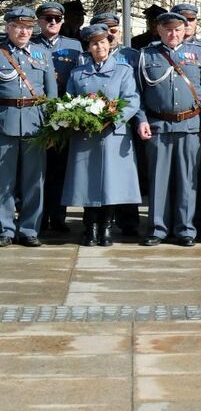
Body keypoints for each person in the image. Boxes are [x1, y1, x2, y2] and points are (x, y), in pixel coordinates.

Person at [135, 12, 201, 247]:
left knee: (187, 180)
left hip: (190, 126)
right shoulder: (146, 54)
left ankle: (185, 229)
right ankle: (157, 228)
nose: (173, 34)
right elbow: (136, 92)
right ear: (158, 30)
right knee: (158, 181)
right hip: (158, 125)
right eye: (168, 29)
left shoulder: (199, 54)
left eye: (178, 29)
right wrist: (141, 119)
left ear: (184, 30)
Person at [63, 22, 142, 247]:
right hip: (86, 136)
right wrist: (77, 118)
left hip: (112, 135)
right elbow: (69, 101)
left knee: (111, 184)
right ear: (88, 48)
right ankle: (91, 228)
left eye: (103, 42)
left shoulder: (123, 71)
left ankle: (106, 228)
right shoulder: (78, 73)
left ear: (110, 43)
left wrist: (112, 120)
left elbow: (131, 100)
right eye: (94, 44)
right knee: (86, 182)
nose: (100, 47)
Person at [0, 6, 58, 247]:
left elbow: (51, 93)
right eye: (18, 26)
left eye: (28, 27)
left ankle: (29, 229)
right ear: (8, 28)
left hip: (36, 123)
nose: (23, 31)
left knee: (34, 181)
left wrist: (53, 125)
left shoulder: (42, 53)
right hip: (5, 122)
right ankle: (4, 229)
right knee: (4, 181)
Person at [32, 1, 80, 235]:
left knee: (60, 169)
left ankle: (59, 216)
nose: (52, 22)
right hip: (36, 113)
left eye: (57, 19)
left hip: (64, 114)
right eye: (47, 19)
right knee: (36, 170)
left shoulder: (74, 47)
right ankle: (38, 218)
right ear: (39, 21)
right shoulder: (30, 45)